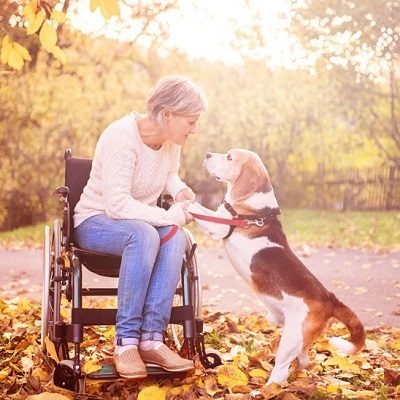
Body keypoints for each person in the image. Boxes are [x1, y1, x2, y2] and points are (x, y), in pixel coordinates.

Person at [73, 75, 207, 378]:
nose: (194, 129)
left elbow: (170, 174)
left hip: (138, 223)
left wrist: (181, 191)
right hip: (96, 221)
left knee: (175, 236)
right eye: (191, 121)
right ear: (168, 114)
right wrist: (168, 215)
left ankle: (151, 339)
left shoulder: (172, 142)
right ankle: (126, 342)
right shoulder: (121, 137)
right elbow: (117, 206)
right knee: (146, 233)